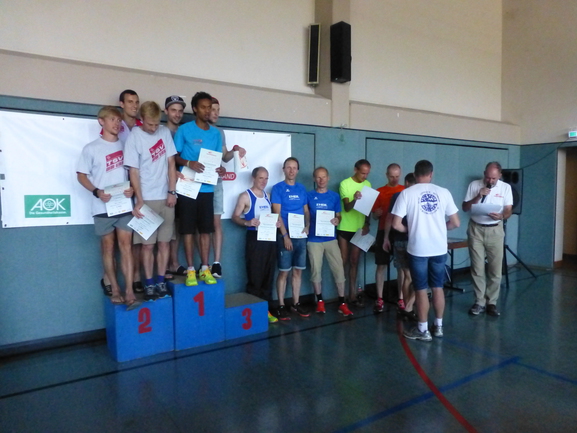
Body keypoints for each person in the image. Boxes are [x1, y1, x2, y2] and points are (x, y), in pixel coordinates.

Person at [392, 160, 460, 341]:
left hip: (418, 248)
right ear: (431, 174)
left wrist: (411, 229)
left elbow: (396, 224)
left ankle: (422, 330)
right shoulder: (444, 192)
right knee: (438, 287)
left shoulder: (406, 193)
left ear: (415, 175)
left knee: (421, 289)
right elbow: (455, 223)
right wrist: (440, 228)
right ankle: (438, 327)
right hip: (439, 248)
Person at [77, 106, 136, 306]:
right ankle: (115, 289)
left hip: (124, 205)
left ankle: (129, 291)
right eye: (112, 119)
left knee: (126, 247)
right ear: (101, 121)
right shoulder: (91, 148)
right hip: (102, 207)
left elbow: (134, 173)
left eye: (118, 120)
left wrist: (133, 189)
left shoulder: (127, 146)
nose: (116, 123)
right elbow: (81, 176)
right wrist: (96, 192)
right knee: (108, 248)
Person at [124, 101, 177, 301]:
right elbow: (133, 171)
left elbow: (171, 163)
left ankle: (161, 281)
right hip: (146, 198)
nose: (154, 128)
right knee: (147, 246)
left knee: (164, 243)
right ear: (142, 119)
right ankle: (149, 283)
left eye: (156, 124)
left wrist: (172, 191)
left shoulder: (164, 132)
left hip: (165, 197)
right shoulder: (134, 136)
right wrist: (139, 200)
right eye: (150, 124)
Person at [174, 91, 223, 286]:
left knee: (205, 231)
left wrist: (220, 169)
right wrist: (189, 163)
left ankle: (204, 268)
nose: (207, 111)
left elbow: (217, 160)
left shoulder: (216, 133)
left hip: (207, 189)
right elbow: (174, 156)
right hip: (187, 187)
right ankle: (190, 270)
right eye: (203, 107)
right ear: (195, 109)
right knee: (187, 231)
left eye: (209, 107)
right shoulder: (184, 130)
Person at [462, 161, 513, 317]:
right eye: (488, 177)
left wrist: (502, 216)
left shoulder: (506, 188)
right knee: (477, 268)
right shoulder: (474, 185)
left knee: (495, 269)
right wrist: (478, 196)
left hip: (495, 230)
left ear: (500, 176)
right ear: (484, 174)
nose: (490, 181)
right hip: (476, 229)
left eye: (493, 178)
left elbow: (508, 210)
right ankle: (479, 302)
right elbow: (465, 207)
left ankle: (492, 302)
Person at [232, 167, 280, 324]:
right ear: (253, 178)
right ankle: (254, 311)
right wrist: (247, 222)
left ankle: (266, 310)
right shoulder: (245, 196)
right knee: (255, 275)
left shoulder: (268, 196)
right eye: (261, 178)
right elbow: (235, 217)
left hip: (270, 239)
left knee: (268, 275)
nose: (264, 181)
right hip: (255, 239)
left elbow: (273, 217)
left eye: (266, 178)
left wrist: (277, 223)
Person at [208, 97, 246, 279]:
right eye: (212, 109)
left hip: (216, 182)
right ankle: (203, 265)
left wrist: (235, 151)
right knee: (200, 226)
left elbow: (225, 157)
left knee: (216, 223)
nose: (216, 113)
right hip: (197, 183)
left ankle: (216, 263)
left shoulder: (219, 132)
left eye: (218, 109)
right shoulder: (193, 130)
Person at [307, 167, 353, 317]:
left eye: (324, 177)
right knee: (316, 270)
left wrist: (336, 220)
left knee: (339, 269)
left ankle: (342, 303)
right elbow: (305, 214)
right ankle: (320, 301)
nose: (321, 180)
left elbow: (339, 215)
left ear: (328, 178)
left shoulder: (334, 196)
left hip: (330, 238)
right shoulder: (309, 196)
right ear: (314, 179)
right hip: (314, 239)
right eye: (318, 177)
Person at [271, 157, 310, 320]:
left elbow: (306, 211)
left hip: (300, 236)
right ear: (283, 169)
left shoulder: (301, 188)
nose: (291, 170)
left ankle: (295, 303)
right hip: (285, 236)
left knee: (298, 271)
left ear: (298, 170)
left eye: (294, 168)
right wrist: (285, 236)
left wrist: (307, 225)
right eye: (288, 167)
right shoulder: (278, 188)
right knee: (284, 273)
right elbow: (277, 214)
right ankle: (281, 305)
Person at [337, 159, 372, 306]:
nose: (365, 176)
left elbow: (368, 208)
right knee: (343, 262)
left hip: (359, 229)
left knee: (354, 262)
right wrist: (355, 199)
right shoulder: (345, 184)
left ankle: (352, 294)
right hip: (345, 228)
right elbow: (346, 208)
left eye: (367, 173)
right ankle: (342, 295)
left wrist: (367, 224)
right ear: (355, 170)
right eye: (363, 173)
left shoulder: (367, 184)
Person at [371, 163, 404, 313]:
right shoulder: (379, 192)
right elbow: (374, 216)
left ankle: (401, 298)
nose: (394, 179)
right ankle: (379, 298)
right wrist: (376, 214)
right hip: (383, 230)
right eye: (392, 176)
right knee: (381, 265)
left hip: (399, 232)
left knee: (401, 267)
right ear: (386, 175)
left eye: (397, 176)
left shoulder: (404, 191)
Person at [384, 173, 417, 320]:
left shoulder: (398, 196)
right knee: (417, 276)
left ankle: (404, 304)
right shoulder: (416, 197)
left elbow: (390, 219)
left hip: (400, 238)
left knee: (407, 275)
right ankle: (408, 305)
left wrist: (386, 237)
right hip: (413, 240)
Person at [164, 95, 188, 279]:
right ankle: (163, 265)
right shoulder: (160, 131)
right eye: (173, 110)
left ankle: (173, 262)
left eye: (180, 111)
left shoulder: (187, 130)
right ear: (166, 111)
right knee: (166, 226)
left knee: (177, 225)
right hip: (164, 186)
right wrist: (171, 174)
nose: (177, 114)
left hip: (186, 186)